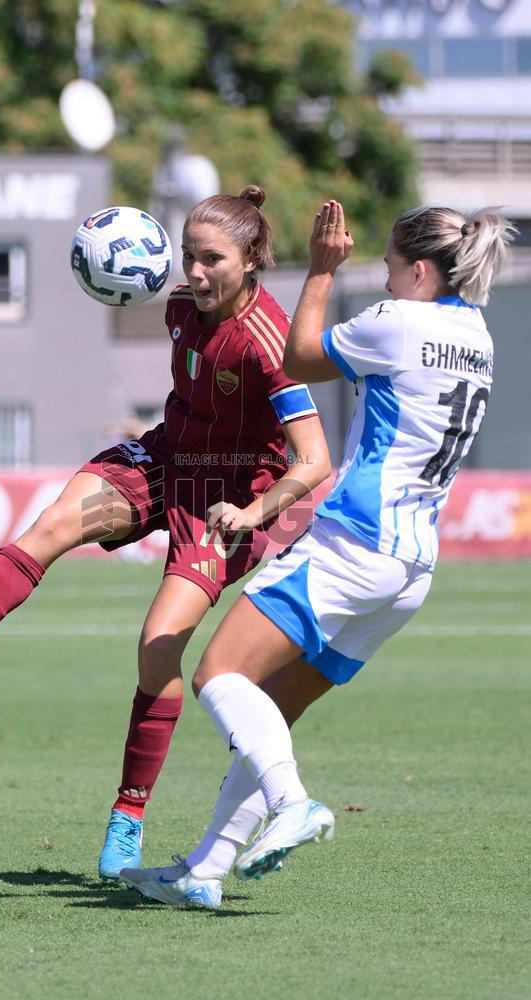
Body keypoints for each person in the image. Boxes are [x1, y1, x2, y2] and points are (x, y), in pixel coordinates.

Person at [0, 186, 332, 882]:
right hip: (163, 460)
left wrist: (254, 513)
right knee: (54, 523)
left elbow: (315, 459)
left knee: (157, 650)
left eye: (212, 258)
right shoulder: (182, 306)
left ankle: (129, 814)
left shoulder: (268, 343)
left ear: (251, 261)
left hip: (227, 500)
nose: (195, 271)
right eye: (187, 255)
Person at [120, 198, 516, 908]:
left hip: (354, 540)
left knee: (217, 674)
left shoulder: (399, 322)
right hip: (410, 567)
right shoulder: (478, 335)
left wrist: (323, 271)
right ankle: (205, 870)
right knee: (271, 706)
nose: (388, 283)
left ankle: (294, 803)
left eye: (393, 270)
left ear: (420, 271)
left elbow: (297, 356)